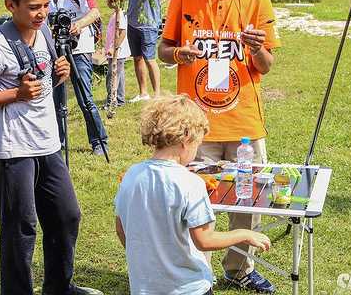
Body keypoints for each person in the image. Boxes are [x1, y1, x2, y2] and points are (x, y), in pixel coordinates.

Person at [0, 0, 102, 295]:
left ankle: (58, 287)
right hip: (13, 149)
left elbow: (43, 81)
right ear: (11, 5)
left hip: (47, 142)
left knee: (66, 216)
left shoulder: (44, 33)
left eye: (46, 6)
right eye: (34, 7)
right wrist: (14, 95)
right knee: (20, 229)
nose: (42, 14)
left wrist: (60, 71)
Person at [158, 0, 281, 293]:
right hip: (195, 125)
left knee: (248, 203)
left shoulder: (257, 0)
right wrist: (179, 54)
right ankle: (195, 273)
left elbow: (267, 65)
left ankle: (239, 268)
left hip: (243, 123)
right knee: (192, 200)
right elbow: (162, 50)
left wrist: (257, 49)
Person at [114, 95, 271, 295]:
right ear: (186, 139)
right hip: (189, 288)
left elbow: (121, 228)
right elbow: (205, 241)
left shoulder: (130, 176)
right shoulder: (190, 183)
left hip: (145, 286)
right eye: (198, 142)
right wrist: (245, 234)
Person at [42, 0, 109, 156]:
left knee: (84, 97)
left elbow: (95, 12)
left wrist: (78, 25)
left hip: (80, 48)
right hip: (57, 49)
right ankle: (57, 142)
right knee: (56, 98)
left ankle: (99, 141)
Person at [126, 0, 162, 102]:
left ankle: (157, 95)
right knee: (137, 58)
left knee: (150, 59)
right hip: (132, 21)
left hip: (148, 22)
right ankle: (143, 93)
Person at [103, 0, 130, 109]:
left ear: (113, 0)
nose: (107, 3)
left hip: (117, 53)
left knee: (112, 76)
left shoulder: (119, 15)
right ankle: (120, 99)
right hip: (115, 52)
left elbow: (122, 32)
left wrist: (114, 48)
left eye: (108, 0)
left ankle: (111, 101)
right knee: (119, 75)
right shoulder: (116, 14)